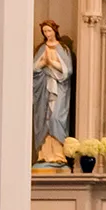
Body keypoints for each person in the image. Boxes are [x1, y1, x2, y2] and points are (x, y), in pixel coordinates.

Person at [32, 20, 74, 166]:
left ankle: (58, 155)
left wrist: (51, 62)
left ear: (55, 31)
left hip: (59, 88)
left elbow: (67, 70)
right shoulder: (41, 48)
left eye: (49, 31)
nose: (47, 34)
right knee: (44, 119)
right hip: (43, 89)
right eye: (45, 32)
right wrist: (43, 64)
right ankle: (44, 155)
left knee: (56, 118)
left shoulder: (62, 49)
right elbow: (33, 69)